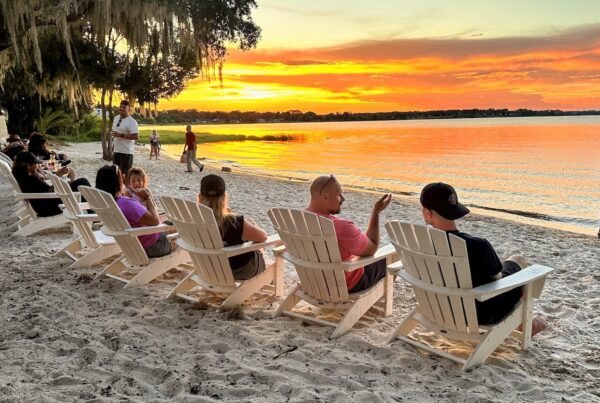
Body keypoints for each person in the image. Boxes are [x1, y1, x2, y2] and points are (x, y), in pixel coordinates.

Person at [419, 182, 547, 336]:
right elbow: (496, 280)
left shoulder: (418, 244)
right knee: (517, 260)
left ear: (427, 213)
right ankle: (528, 323)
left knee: (510, 265)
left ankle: (527, 322)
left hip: (438, 308)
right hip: (483, 313)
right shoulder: (479, 245)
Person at [306, 175, 392, 292]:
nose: (343, 199)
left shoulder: (296, 221)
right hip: (347, 284)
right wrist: (376, 212)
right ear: (325, 197)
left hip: (312, 282)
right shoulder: (341, 227)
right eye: (339, 194)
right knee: (392, 257)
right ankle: (379, 301)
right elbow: (372, 248)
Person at [197, 174, 267, 280]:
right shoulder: (234, 221)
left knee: (245, 229)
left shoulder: (193, 220)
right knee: (254, 240)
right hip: (242, 271)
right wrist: (247, 225)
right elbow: (263, 237)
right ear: (224, 197)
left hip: (209, 269)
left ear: (200, 196)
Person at [95, 165, 171, 258]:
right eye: (121, 178)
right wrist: (147, 198)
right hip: (151, 246)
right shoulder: (126, 203)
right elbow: (155, 221)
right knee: (179, 231)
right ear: (117, 182)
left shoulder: (107, 202)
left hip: (129, 246)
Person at [11, 151, 90, 217]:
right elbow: (50, 191)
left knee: (79, 183)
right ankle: (92, 212)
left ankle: (92, 211)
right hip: (49, 207)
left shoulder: (23, 176)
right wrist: (58, 175)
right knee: (82, 182)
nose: (37, 166)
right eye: (35, 164)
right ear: (28, 165)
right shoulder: (30, 178)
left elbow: (46, 190)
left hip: (45, 204)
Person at [111, 100, 139, 176]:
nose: (122, 108)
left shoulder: (132, 122)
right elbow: (115, 134)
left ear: (129, 109)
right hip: (116, 151)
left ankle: (126, 188)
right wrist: (113, 147)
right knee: (116, 175)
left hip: (126, 152)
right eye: (121, 106)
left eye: (124, 107)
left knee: (125, 176)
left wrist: (121, 135)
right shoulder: (116, 118)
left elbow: (136, 136)